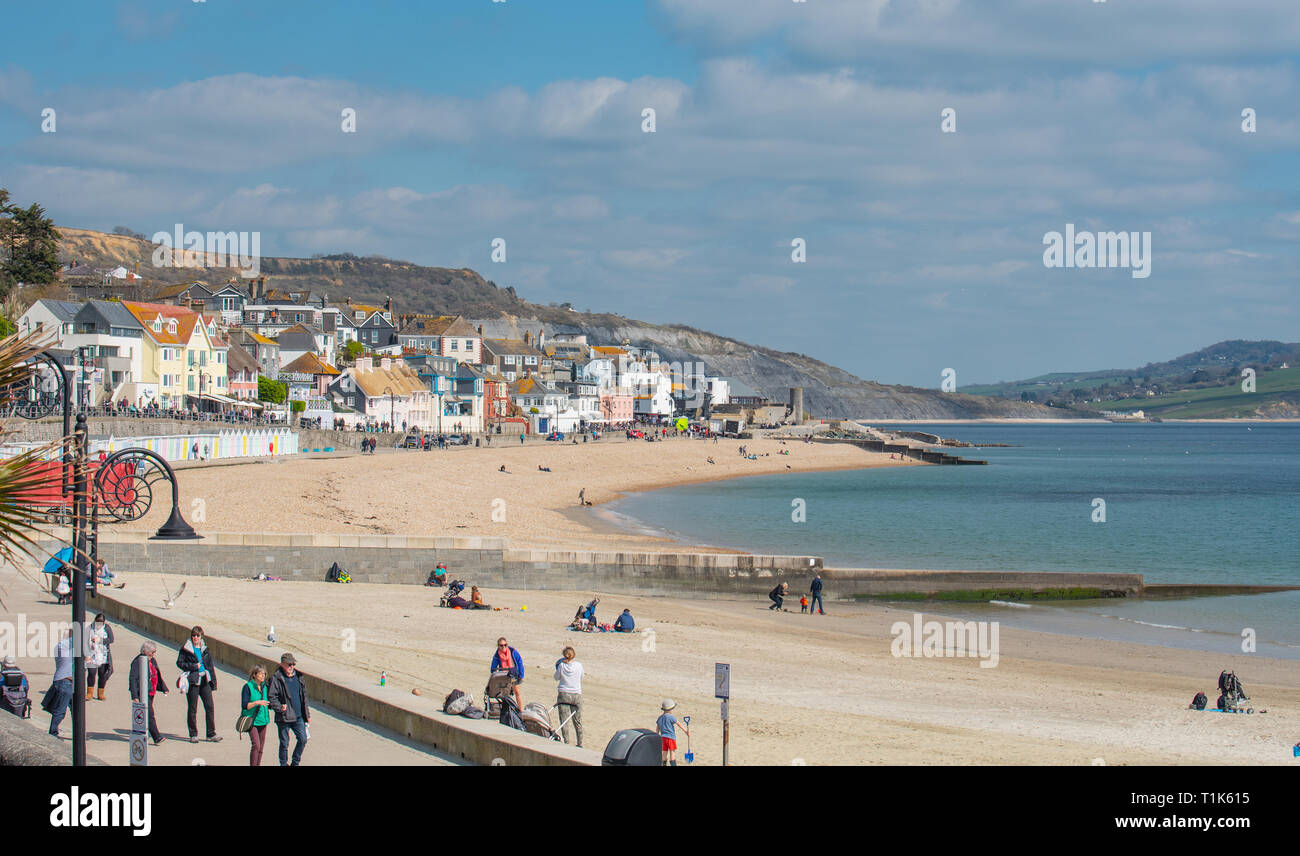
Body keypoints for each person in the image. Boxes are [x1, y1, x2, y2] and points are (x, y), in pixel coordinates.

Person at [176, 626, 221, 743]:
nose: (195, 637)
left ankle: (211, 733)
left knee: (210, 706)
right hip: (193, 681)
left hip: (205, 680)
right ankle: (193, 734)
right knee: (192, 708)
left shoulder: (205, 649)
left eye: (197, 635)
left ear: (201, 637)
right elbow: (179, 663)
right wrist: (192, 667)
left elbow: (210, 666)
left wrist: (213, 683)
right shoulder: (186, 648)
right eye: (194, 635)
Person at [267, 653, 310, 766]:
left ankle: (295, 763)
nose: (291, 667)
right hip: (284, 717)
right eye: (289, 664)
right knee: (284, 744)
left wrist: (307, 714)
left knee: (303, 739)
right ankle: (283, 764)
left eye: (293, 664)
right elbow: (272, 697)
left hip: (298, 716)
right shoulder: (276, 678)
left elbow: (304, 696)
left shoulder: (299, 677)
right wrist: (279, 707)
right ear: (282, 664)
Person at [128, 641, 170, 744]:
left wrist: (164, 688)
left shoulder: (152, 660)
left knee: (147, 714)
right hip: (142, 692)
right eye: (152, 652)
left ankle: (144, 734)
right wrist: (134, 695)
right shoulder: (138, 661)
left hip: (151, 691)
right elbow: (132, 678)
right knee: (149, 714)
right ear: (146, 651)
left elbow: (157, 675)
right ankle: (157, 737)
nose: (153, 654)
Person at [43, 629, 75, 738]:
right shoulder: (63, 647)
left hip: (70, 683)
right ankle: (53, 734)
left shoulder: (69, 649)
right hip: (64, 682)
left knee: (76, 711)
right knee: (60, 711)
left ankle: (77, 733)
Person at [241, 665, 272, 766]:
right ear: (254, 675)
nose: (263, 676)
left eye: (264, 674)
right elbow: (245, 705)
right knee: (256, 745)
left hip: (263, 720)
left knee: (261, 748)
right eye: (261, 674)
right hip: (252, 720)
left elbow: (268, 702)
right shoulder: (248, 687)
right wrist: (257, 702)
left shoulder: (265, 687)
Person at [553, 646, 584, 748]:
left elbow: (556, 677)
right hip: (576, 695)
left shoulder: (561, 666)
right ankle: (580, 743)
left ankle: (566, 742)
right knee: (577, 721)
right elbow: (581, 676)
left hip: (564, 694)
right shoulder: (579, 665)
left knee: (564, 720)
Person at [85, 613, 115, 700]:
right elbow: (85, 641)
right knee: (91, 673)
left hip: (103, 655)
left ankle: (100, 693)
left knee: (102, 674)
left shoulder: (107, 628)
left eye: (100, 623)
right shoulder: (90, 628)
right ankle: (89, 692)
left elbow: (111, 639)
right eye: (97, 623)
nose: (98, 625)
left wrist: (100, 640)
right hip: (92, 654)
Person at [490, 638, 524, 710]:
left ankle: (521, 711)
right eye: (501, 645)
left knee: (517, 692)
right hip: (504, 675)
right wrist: (496, 674)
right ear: (498, 646)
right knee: (506, 693)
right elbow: (493, 668)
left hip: (514, 672)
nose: (503, 647)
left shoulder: (513, 651)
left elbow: (520, 662)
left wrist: (521, 675)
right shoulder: (497, 655)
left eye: (505, 645)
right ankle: (508, 711)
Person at [657, 699, 688, 766]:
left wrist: (656, 736)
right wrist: (686, 731)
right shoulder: (671, 717)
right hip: (671, 738)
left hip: (663, 738)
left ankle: (663, 764)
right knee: (672, 753)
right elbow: (679, 724)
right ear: (670, 709)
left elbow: (657, 729)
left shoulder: (660, 718)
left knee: (664, 753)